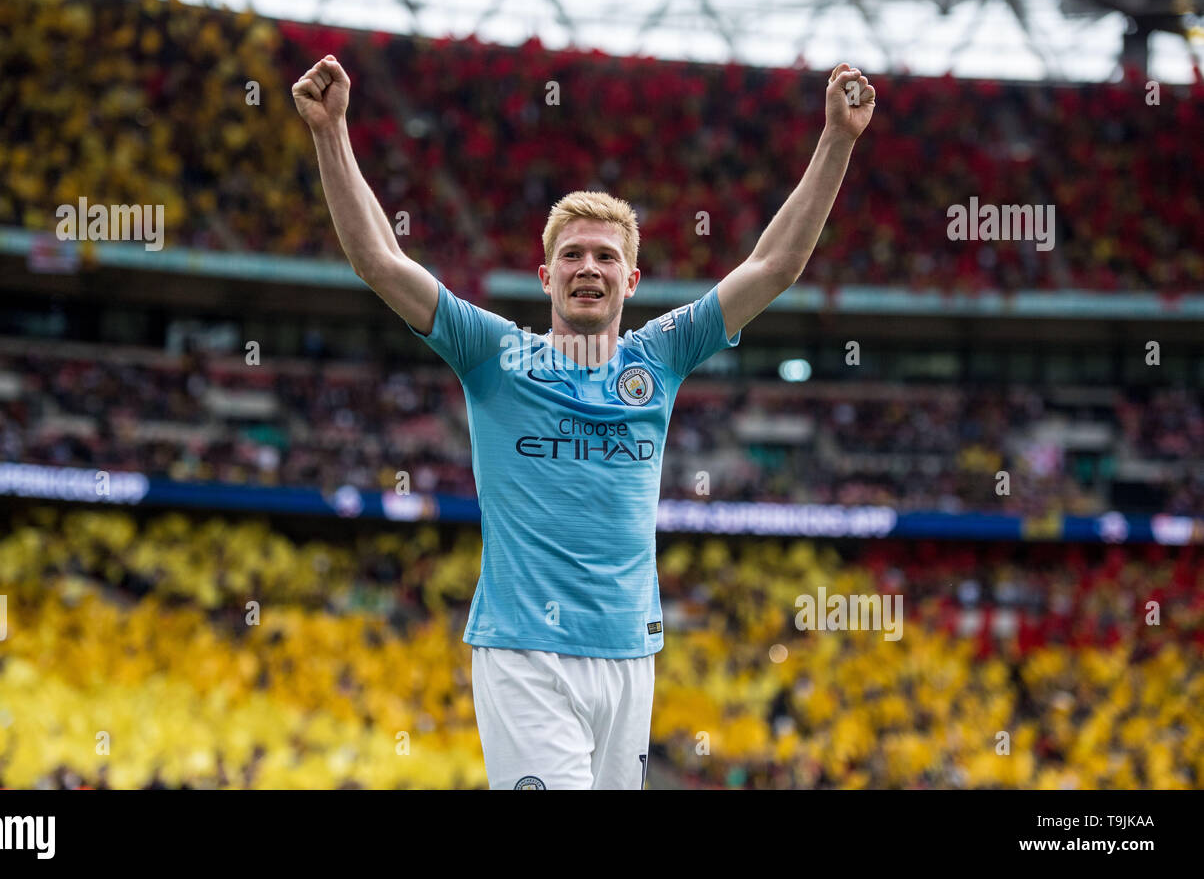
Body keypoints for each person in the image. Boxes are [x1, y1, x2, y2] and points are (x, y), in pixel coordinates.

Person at [292, 53, 875, 789]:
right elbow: (379, 260)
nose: (588, 267)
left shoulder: (662, 355)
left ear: (632, 278)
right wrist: (332, 131)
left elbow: (775, 266)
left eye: (606, 255)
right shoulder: (493, 352)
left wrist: (837, 139)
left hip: (630, 654)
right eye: (572, 255)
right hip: (524, 654)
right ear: (546, 276)